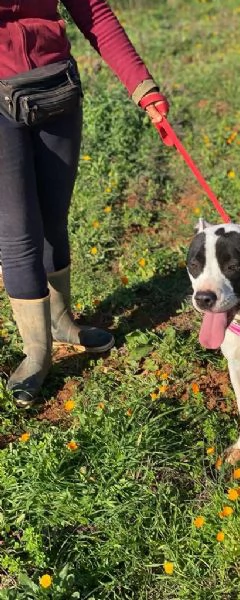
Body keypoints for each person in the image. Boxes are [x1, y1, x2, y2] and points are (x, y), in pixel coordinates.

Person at [0, 0, 169, 407]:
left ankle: (60, 321)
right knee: (19, 231)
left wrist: (142, 86)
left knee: (54, 216)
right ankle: (37, 352)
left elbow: (93, 10)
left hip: (54, 88)